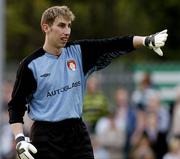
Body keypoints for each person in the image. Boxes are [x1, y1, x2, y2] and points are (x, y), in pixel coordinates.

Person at [7, 5, 168, 159]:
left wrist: (146, 40)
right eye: (61, 26)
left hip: (76, 132)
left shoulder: (78, 52)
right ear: (45, 27)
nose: (67, 31)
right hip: (45, 135)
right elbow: (16, 105)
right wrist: (20, 139)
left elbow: (113, 44)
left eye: (69, 26)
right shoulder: (31, 65)